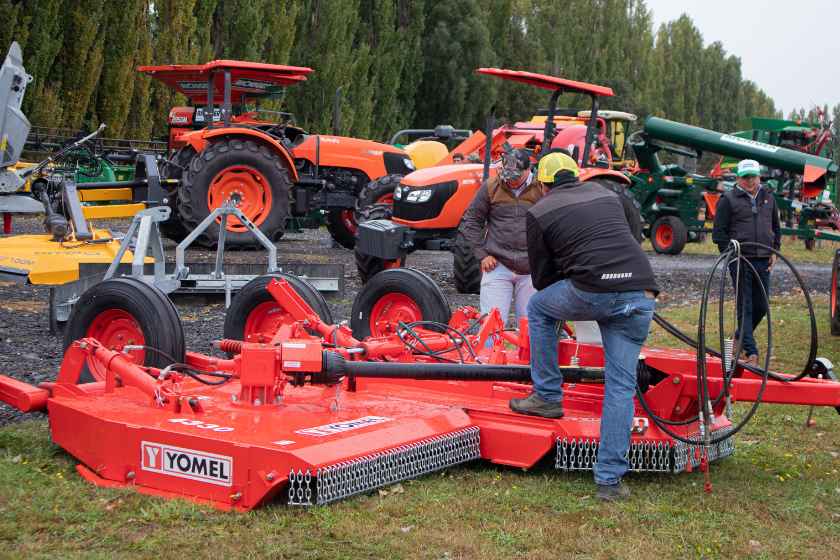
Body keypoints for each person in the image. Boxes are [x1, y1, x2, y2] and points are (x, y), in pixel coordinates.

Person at [509, 151, 659, 501]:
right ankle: (609, 482)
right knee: (620, 388)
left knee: (539, 308)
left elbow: (543, 278)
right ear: (578, 175)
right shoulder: (608, 195)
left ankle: (547, 395)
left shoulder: (540, 211)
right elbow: (624, 241)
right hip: (640, 292)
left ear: (543, 184)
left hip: (595, 291)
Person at [459, 148, 542, 326]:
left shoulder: (541, 188)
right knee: (490, 325)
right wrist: (482, 254)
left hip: (531, 268)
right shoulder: (491, 187)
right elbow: (471, 220)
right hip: (497, 265)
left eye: (516, 177)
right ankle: (489, 353)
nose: (510, 181)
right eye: (507, 175)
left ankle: (528, 355)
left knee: (531, 326)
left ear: (529, 170)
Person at [712, 159, 781, 365]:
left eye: (753, 176)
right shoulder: (728, 199)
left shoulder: (769, 198)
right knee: (746, 305)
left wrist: (775, 250)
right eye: (745, 177)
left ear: (759, 176)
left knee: (761, 306)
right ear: (738, 178)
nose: (750, 181)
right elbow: (719, 234)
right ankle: (751, 352)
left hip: (763, 260)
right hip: (741, 260)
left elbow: (776, 228)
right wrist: (732, 255)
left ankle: (738, 337)